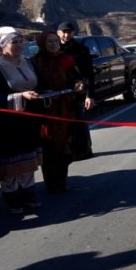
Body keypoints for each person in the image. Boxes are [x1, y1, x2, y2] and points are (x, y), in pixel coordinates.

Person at [0, 28, 44, 214]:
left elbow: (39, 84)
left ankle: (28, 197)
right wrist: (19, 96)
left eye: (20, 42)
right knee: (10, 164)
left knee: (27, 161)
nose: (18, 46)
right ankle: (12, 200)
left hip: (28, 121)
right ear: (2, 45)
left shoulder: (28, 63)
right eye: (13, 42)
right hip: (6, 123)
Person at [31, 31, 85, 194]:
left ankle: (62, 179)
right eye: (49, 41)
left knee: (64, 145)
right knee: (48, 146)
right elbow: (31, 83)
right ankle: (50, 181)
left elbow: (77, 78)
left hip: (66, 108)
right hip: (46, 110)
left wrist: (79, 85)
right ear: (42, 43)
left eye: (55, 41)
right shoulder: (35, 62)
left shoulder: (66, 59)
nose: (53, 44)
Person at [57, 21, 95, 160]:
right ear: (58, 32)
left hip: (77, 91)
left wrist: (89, 95)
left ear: (73, 33)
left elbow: (89, 73)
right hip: (57, 93)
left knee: (79, 121)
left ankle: (84, 150)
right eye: (64, 31)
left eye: (69, 32)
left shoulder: (81, 49)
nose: (66, 35)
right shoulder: (53, 49)